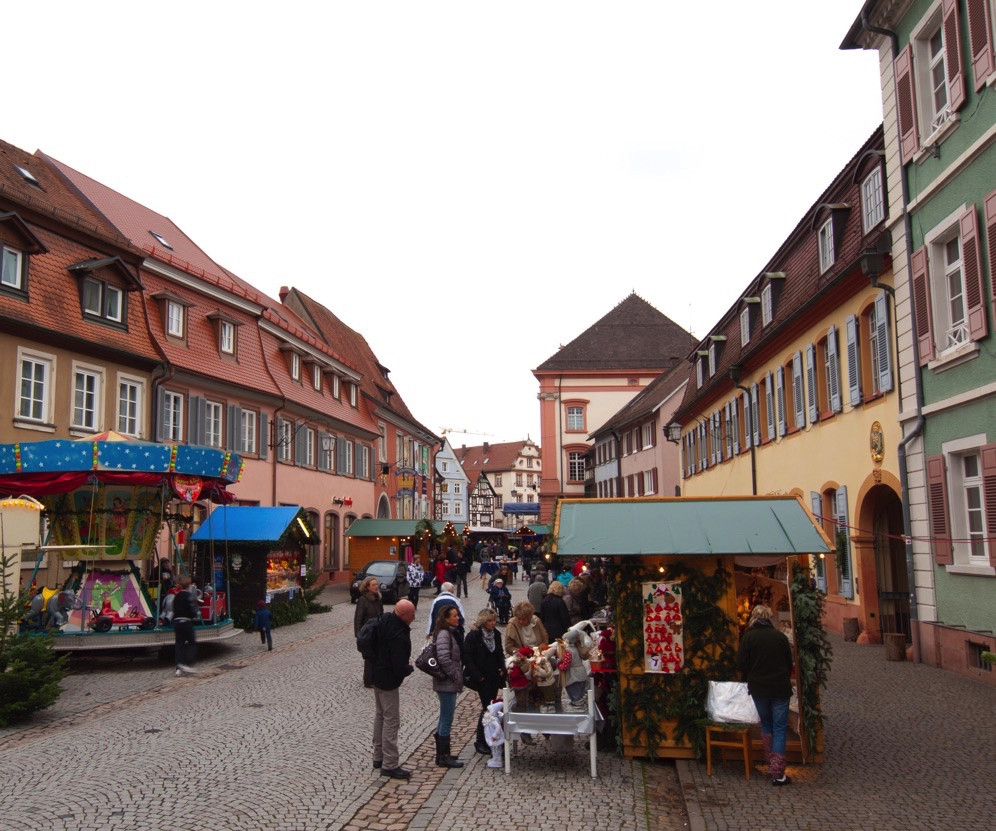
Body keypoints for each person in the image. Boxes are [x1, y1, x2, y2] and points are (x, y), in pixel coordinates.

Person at [737, 604, 795, 786]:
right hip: (780, 688)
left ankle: (771, 765)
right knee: (779, 728)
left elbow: (741, 664)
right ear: (769, 618)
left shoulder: (748, 638)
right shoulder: (779, 637)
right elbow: (788, 662)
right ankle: (778, 773)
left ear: (754, 617)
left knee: (767, 725)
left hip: (759, 688)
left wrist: (749, 677)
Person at [370, 599, 417, 779]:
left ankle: (378, 756)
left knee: (380, 715)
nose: (414, 618)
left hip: (376, 674)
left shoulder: (385, 620)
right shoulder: (398, 634)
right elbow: (399, 666)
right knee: (391, 720)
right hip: (388, 680)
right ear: (404, 615)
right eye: (412, 615)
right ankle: (389, 764)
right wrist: (408, 669)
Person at [462, 608, 507, 754]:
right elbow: (467, 658)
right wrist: (478, 676)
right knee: (487, 708)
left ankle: (488, 738)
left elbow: (499, 652)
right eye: (489, 620)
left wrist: (502, 668)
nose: (493, 623)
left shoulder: (496, 635)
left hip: (494, 676)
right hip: (482, 677)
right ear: (483, 621)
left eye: (494, 620)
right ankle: (480, 740)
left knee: (490, 707)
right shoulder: (474, 636)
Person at [430, 604, 465, 768]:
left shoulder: (447, 632)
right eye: (454, 615)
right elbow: (444, 658)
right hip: (446, 683)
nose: (458, 618)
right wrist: (455, 675)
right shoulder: (444, 634)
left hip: (446, 682)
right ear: (446, 619)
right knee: (447, 717)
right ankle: (443, 755)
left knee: (445, 716)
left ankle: (442, 753)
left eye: (457, 615)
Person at [354, 576, 384, 688]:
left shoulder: (378, 598)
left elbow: (381, 614)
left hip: (378, 632)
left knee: (378, 655)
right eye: (374, 585)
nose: (376, 586)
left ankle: (376, 678)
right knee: (369, 657)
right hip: (367, 633)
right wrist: (358, 635)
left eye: (377, 584)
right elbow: (358, 619)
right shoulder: (363, 600)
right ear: (367, 587)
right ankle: (368, 680)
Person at [173, 576, 199, 676]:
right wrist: (195, 616)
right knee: (192, 642)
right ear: (189, 585)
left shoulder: (177, 596)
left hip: (177, 621)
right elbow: (193, 610)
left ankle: (179, 666)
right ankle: (187, 663)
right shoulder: (189, 596)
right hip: (186, 621)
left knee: (179, 643)